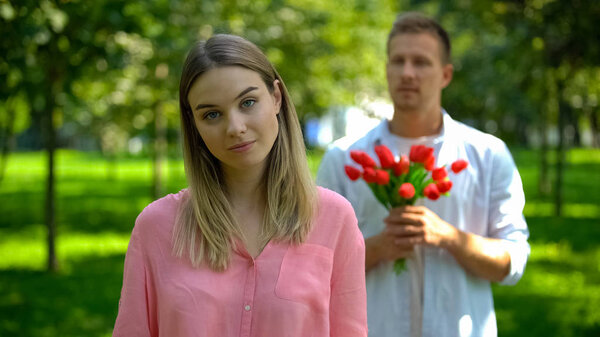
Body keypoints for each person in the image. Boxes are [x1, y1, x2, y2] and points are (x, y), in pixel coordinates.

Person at [113, 34, 367, 337]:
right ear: (193, 123)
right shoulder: (156, 227)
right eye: (212, 114)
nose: (235, 128)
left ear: (276, 97)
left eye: (247, 102)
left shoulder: (334, 219)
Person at [317, 12, 530, 337]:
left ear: (445, 74)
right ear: (386, 69)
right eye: (398, 61)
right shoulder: (342, 158)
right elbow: (315, 268)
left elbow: (513, 262)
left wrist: (450, 238)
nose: (407, 73)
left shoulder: (488, 155)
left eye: (421, 62)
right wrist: (377, 248)